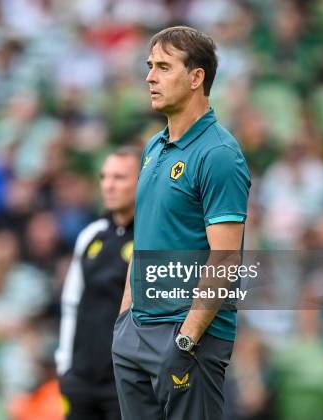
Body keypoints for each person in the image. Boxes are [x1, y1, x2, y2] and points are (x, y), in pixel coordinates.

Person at [112, 26, 251, 420]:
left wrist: (186, 340)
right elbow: (144, 240)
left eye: (163, 67)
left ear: (196, 78)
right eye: (149, 66)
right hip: (137, 331)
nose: (149, 77)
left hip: (188, 335)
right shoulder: (155, 147)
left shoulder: (219, 154)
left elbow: (225, 260)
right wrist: (125, 320)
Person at [56, 147, 141, 420]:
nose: (109, 185)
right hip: (82, 379)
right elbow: (72, 302)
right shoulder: (91, 236)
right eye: (104, 177)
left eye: (119, 178)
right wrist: (65, 365)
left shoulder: (152, 238)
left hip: (124, 383)